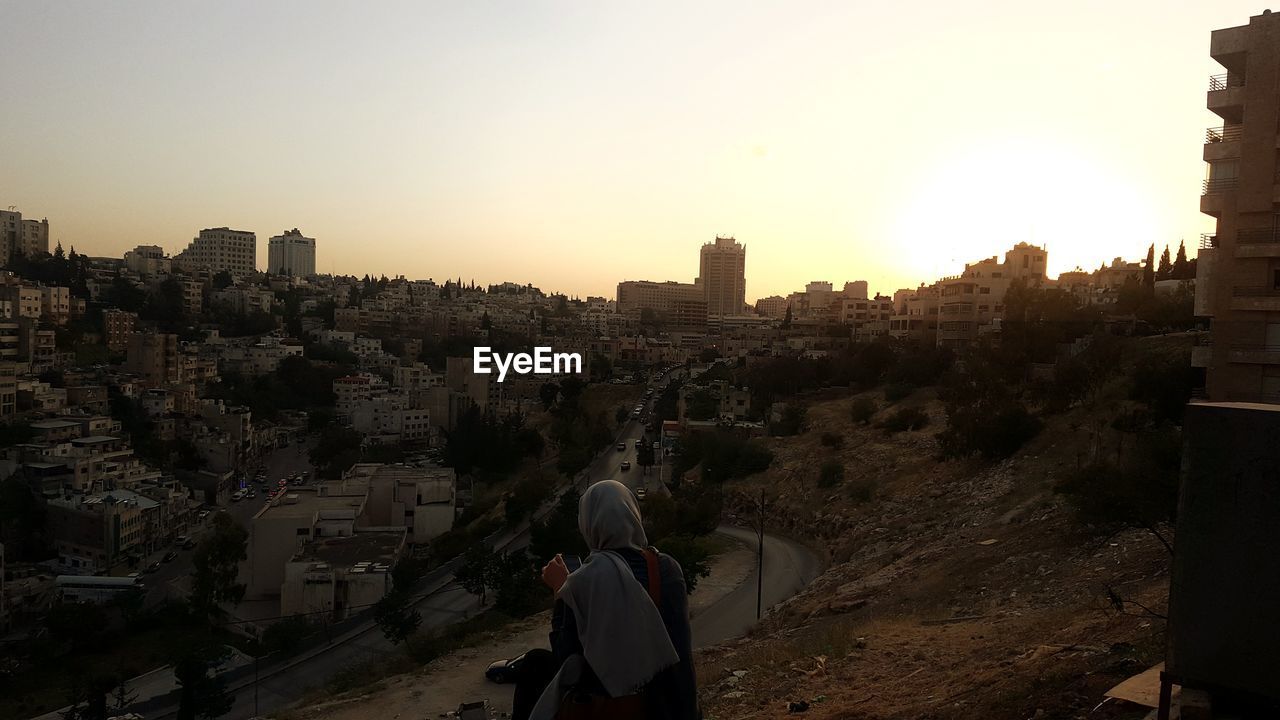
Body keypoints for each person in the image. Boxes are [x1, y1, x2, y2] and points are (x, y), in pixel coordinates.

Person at [511, 480, 700, 720]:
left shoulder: (582, 581)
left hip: (604, 706)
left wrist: (561, 591)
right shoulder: (666, 568)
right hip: (660, 704)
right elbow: (680, 651)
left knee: (535, 663)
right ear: (633, 515)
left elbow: (566, 657)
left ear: (588, 524)